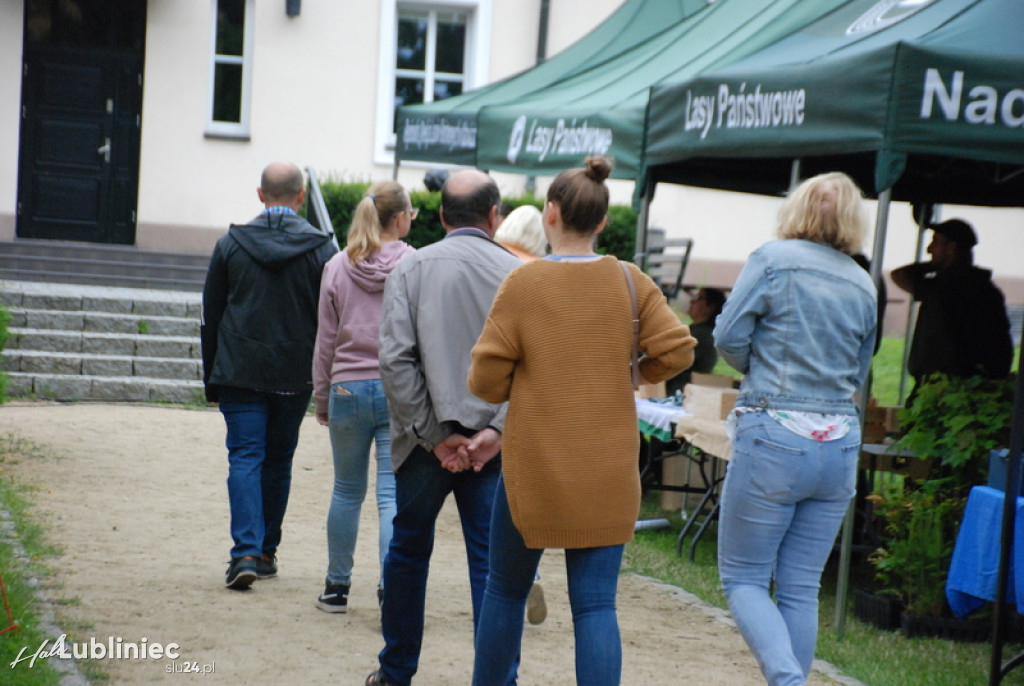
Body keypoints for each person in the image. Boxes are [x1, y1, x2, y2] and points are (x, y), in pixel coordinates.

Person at [467, 156, 697, 686]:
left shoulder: (523, 285)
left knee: (503, 592)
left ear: (550, 214)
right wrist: (633, 371)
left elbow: (483, 380)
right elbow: (680, 350)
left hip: (535, 468)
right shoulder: (628, 281)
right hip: (607, 470)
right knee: (596, 608)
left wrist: (527, 379)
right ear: (601, 222)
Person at [713, 172, 877, 686]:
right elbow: (862, 363)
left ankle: (788, 680)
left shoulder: (771, 260)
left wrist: (755, 366)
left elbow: (726, 336)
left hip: (774, 430)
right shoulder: (862, 282)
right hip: (839, 439)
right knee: (801, 587)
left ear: (796, 208)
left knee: (743, 578)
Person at [366, 170, 523, 686]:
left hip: (423, 444)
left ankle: (395, 672)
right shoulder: (518, 274)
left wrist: (434, 436)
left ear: (439, 216)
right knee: (493, 565)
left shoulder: (412, 270)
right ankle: (497, 677)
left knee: (408, 551)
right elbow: (532, 364)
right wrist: (495, 431)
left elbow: (394, 361)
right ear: (494, 215)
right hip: (491, 446)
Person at [201, 161, 338, 590]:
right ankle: (265, 551)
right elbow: (332, 319)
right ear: (301, 197)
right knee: (279, 461)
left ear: (260, 195)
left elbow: (212, 314)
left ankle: (244, 551)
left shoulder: (231, 245)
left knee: (244, 458)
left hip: (240, 369)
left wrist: (212, 378)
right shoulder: (322, 250)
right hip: (295, 373)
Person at [311, 181, 416, 613]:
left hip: (347, 388)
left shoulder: (337, 265)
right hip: (396, 390)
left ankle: (337, 587)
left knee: (346, 491)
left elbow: (326, 340)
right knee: (391, 496)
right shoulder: (414, 263)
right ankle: (391, 585)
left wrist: (322, 396)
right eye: (410, 212)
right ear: (399, 218)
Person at [891, 218, 1012, 400]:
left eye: (936, 243)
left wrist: (934, 265)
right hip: (964, 387)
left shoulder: (946, 287)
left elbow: (901, 275)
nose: (929, 249)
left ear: (952, 249)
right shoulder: (984, 289)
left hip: (943, 390)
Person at [665, 286, 727, 396]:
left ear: (710, 307)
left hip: (678, 394)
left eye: (699, 298)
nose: (692, 301)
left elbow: (669, 361)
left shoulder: (701, 335)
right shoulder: (698, 331)